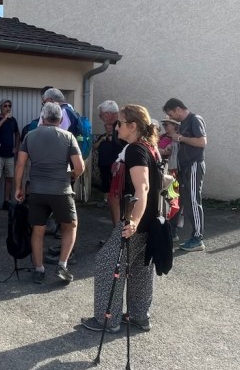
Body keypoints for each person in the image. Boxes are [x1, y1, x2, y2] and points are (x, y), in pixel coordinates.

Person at [82, 104, 160, 333]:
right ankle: (139, 316)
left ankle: (107, 320)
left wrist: (133, 221)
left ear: (133, 126)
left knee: (107, 263)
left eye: (120, 123)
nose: (116, 128)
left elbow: (142, 187)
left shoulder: (135, 150)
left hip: (136, 222)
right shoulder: (150, 147)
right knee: (140, 267)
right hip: (151, 221)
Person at [14, 102, 84, 285]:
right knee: (70, 226)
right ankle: (62, 265)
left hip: (37, 190)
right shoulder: (68, 136)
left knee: (38, 230)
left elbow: (20, 164)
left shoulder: (30, 136)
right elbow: (79, 167)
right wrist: (70, 176)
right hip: (61, 190)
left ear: (43, 118)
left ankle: (39, 269)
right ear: (60, 119)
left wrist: (18, 188)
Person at [163, 98, 207, 252]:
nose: (171, 118)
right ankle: (191, 235)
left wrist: (181, 138)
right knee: (186, 201)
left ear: (178, 109)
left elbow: (202, 142)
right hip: (185, 168)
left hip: (194, 166)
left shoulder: (195, 119)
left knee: (194, 201)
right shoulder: (184, 123)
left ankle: (198, 238)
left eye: (171, 114)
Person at [93, 100, 125, 226]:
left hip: (122, 168)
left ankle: (119, 233)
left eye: (101, 115)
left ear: (108, 114)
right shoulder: (117, 126)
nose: (100, 118)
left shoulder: (122, 124)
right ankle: (118, 232)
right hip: (113, 166)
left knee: (118, 201)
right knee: (113, 198)